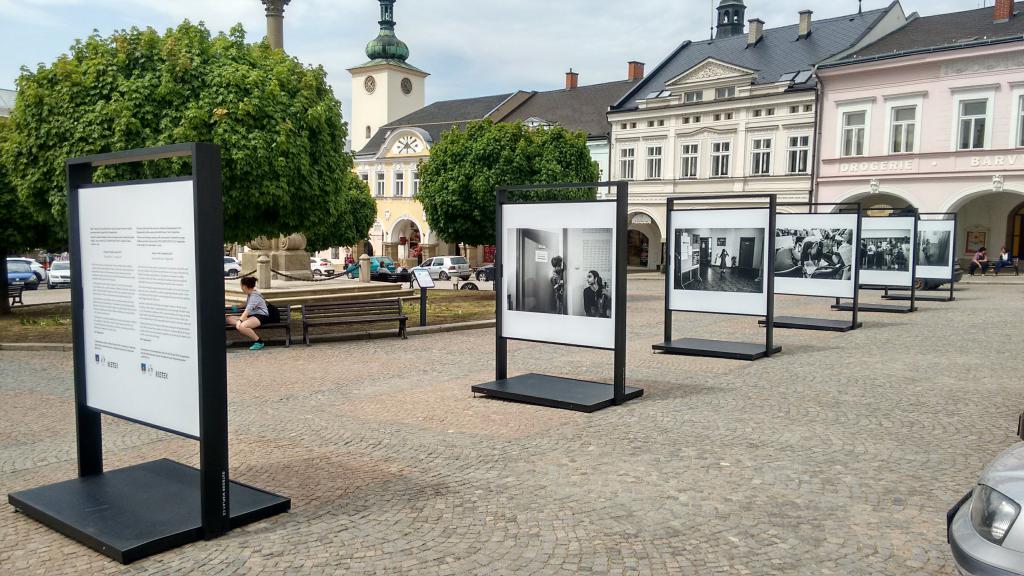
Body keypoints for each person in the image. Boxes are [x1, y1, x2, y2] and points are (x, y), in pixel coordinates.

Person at [226, 276, 269, 350]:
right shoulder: (250, 294)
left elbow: (247, 310)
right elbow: (245, 305)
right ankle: (243, 324)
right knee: (228, 319)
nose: (241, 287)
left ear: (244, 286)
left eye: (241, 285)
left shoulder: (254, 296)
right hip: (252, 316)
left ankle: (259, 342)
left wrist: (240, 321)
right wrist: (234, 308)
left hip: (261, 316)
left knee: (241, 326)